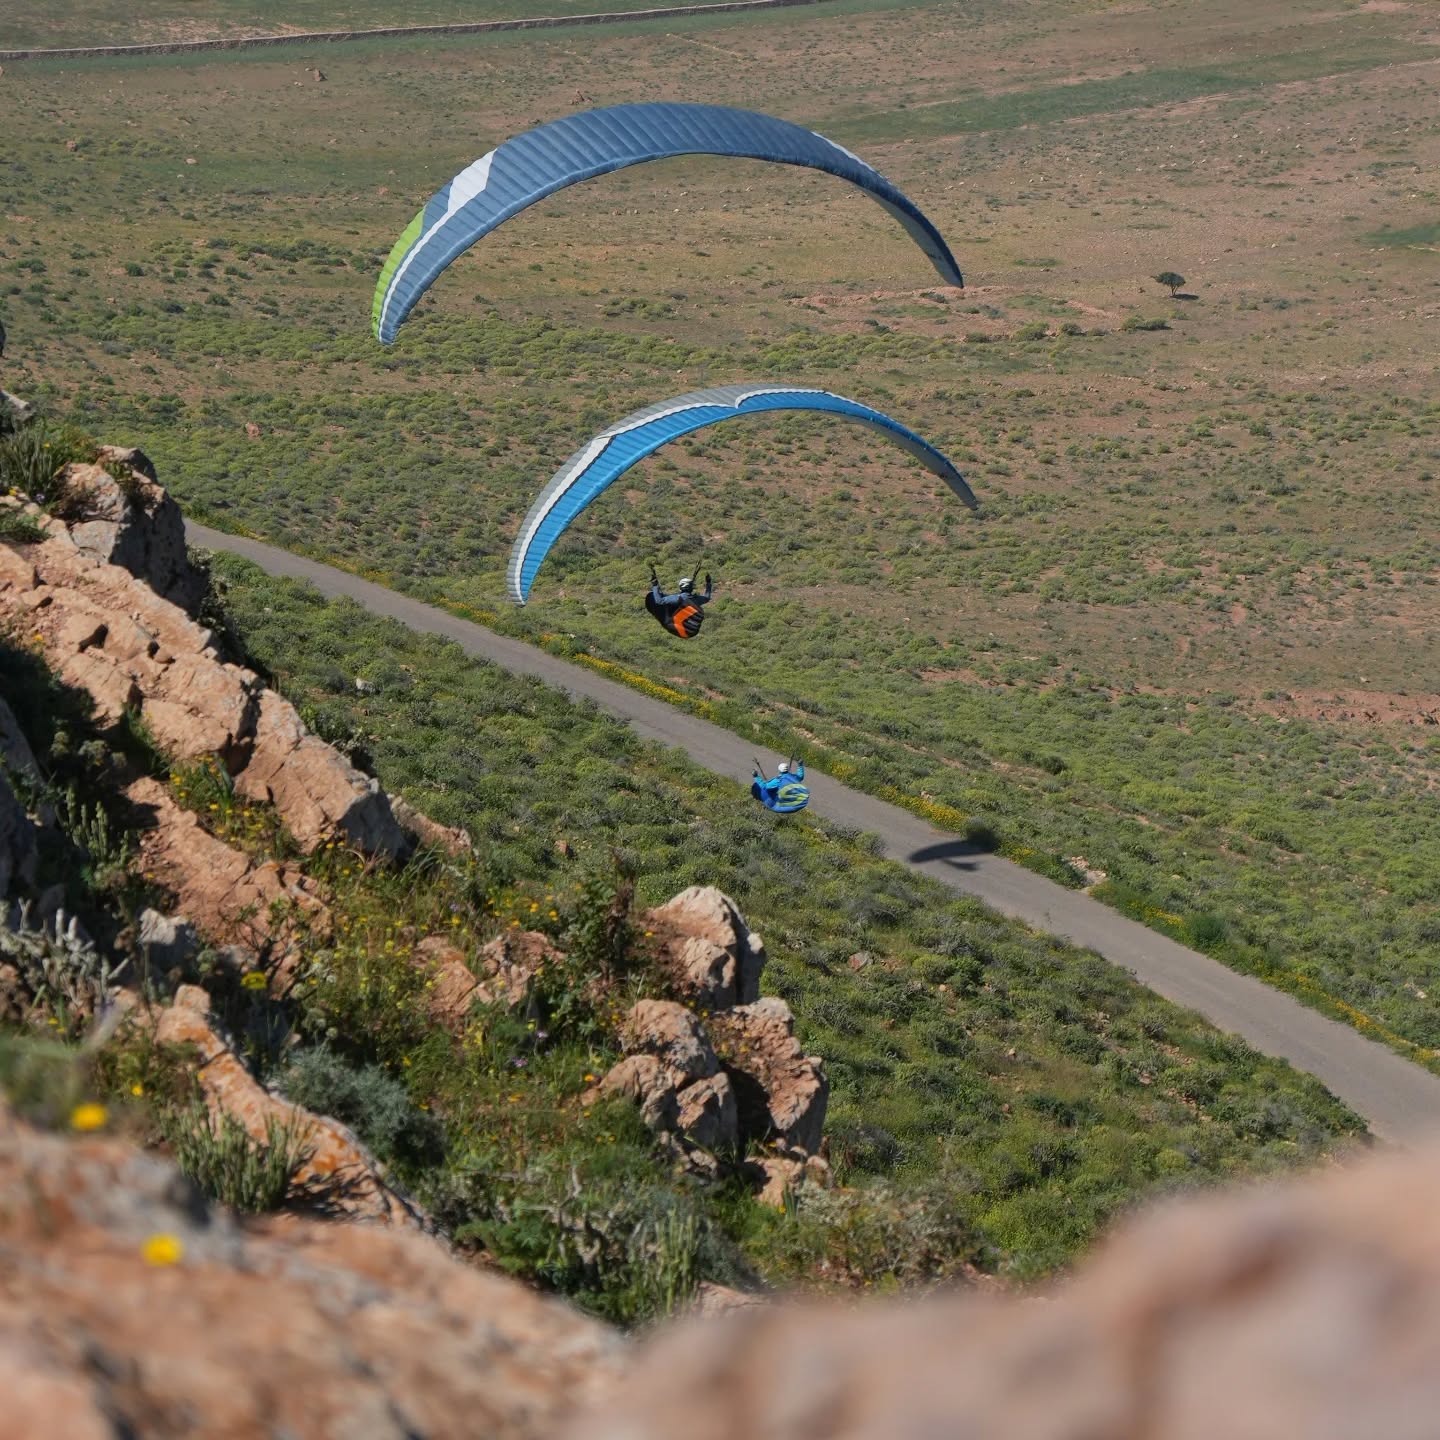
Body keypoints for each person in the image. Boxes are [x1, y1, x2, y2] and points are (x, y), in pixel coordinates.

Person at [646, 564, 713, 639]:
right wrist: (708, 583)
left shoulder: (677, 598)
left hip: (672, 624)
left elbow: (659, 601)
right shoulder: (696, 599)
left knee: (656, 599)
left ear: (681, 587)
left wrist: (655, 585)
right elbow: (707, 598)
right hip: (686, 630)